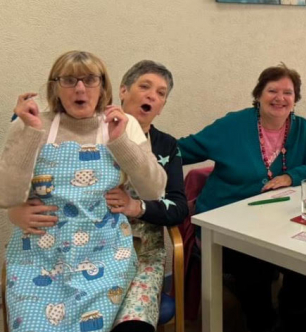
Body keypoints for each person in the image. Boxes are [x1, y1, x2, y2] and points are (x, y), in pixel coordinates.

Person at [7, 60, 187, 332]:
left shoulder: (147, 138)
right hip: (45, 253)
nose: (152, 96)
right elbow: (9, 191)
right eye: (145, 86)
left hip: (112, 250)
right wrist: (14, 210)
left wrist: (136, 206)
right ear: (123, 91)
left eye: (161, 93)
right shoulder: (36, 125)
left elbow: (163, 196)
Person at [177, 63, 306, 332]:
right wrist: (138, 144)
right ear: (258, 95)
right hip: (225, 225)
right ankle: (262, 320)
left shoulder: (302, 130)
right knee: (256, 270)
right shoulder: (233, 125)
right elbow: (181, 151)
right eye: (272, 90)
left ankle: (291, 317)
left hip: (277, 223)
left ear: (295, 99)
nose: (280, 98)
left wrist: (293, 176)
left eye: (287, 93)